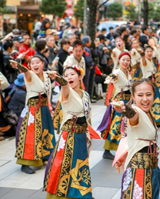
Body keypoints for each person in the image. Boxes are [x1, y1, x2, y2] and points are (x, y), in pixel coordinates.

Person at [44, 65, 93, 199]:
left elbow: (89, 117)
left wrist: (89, 136)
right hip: (70, 135)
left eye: (72, 74)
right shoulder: (66, 92)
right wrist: (60, 79)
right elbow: (64, 86)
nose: (68, 77)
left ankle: (81, 193)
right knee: (65, 165)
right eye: (66, 75)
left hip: (82, 135)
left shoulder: (86, 95)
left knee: (80, 164)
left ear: (80, 76)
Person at [113, 78, 160, 198]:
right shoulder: (137, 111)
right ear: (133, 96)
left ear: (154, 95)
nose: (145, 99)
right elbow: (133, 114)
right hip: (139, 172)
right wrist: (125, 109)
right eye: (140, 95)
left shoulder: (147, 113)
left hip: (151, 169)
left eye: (149, 94)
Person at [12, 55, 56, 174]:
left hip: (44, 107)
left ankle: (44, 156)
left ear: (43, 64)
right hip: (33, 108)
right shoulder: (29, 75)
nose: (35, 65)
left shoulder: (47, 76)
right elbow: (25, 70)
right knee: (29, 134)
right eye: (32, 63)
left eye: (37, 62)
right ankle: (25, 162)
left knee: (45, 132)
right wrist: (19, 66)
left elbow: (48, 92)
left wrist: (50, 107)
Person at [97, 52, 132, 160]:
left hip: (127, 100)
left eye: (127, 60)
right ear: (119, 61)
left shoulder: (128, 73)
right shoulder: (117, 72)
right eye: (123, 60)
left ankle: (122, 148)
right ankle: (107, 150)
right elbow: (112, 76)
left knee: (125, 125)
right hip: (120, 101)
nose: (125, 62)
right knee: (116, 124)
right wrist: (109, 78)